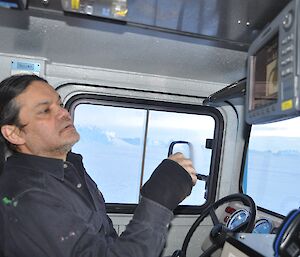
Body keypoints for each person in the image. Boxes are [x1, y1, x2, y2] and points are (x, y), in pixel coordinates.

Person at [0, 74, 197, 257]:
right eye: (45, 110)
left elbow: (102, 241)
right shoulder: (28, 198)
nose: (64, 113)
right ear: (14, 134)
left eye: (60, 104)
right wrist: (160, 195)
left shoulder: (70, 167)